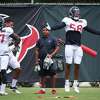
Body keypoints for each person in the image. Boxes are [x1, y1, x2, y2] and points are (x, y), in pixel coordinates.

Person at [46, 6, 100, 93]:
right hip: (69, 46)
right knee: (68, 64)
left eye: (78, 13)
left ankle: (75, 84)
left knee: (77, 66)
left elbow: (91, 30)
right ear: (71, 13)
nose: (77, 14)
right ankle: (67, 83)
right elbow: (60, 25)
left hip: (78, 47)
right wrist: (51, 28)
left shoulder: (82, 22)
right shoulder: (67, 20)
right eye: (76, 13)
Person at [34, 27, 59, 94]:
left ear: (49, 31)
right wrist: (36, 60)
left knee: (53, 74)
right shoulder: (39, 40)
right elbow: (36, 50)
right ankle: (42, 90)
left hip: (50, 59)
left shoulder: (53, 39)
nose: (45, 31)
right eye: (43, 30)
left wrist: (51, 55)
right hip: (41, 59)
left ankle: (53, 89)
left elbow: (57, 48)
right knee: (42, 75)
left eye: (46, 30)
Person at [0, 17, 21, 95]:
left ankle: (13, 86)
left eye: (12, 24)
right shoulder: (5, 29)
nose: (11, 26)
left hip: (8, 52)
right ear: (5, 23)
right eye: (10, 24)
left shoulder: (8, 30)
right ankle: (1, 89)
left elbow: (17, 39)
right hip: (3, 52)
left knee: (18, 69)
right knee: (2, 71)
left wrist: (12, 47)